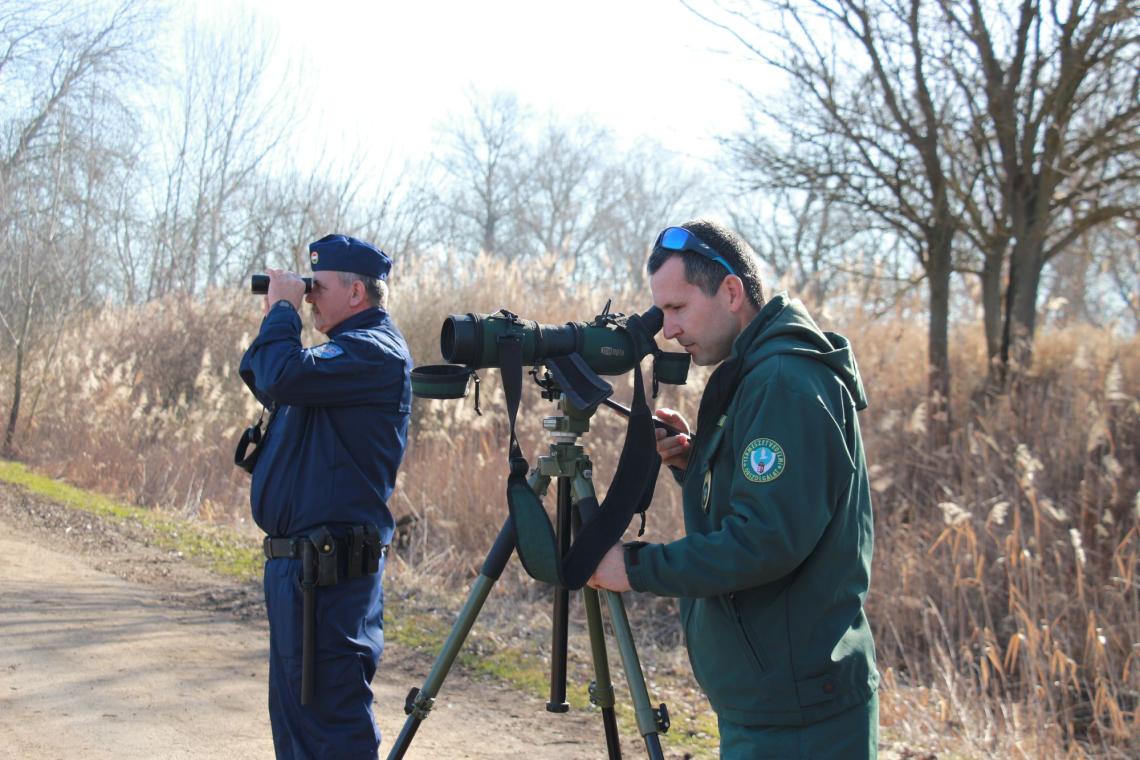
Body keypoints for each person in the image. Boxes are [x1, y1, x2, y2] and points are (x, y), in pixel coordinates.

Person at [588, 219, 879, 758]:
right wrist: (698, 461)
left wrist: (635, 567)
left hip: (800, 718)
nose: (667, 330)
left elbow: (764, 540)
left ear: (730, 291)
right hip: (776, 699)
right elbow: (775, 499)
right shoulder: (759, 374)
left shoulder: (784, 382)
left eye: (677, 308)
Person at [238, 234, 413, 759]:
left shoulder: (374, 353)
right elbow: (266, 375)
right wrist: (278, 317)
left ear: (357, 292)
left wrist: (284, 313)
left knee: (331, 728)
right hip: (300, 573)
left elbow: (282, 373)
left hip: (329, 579)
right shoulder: (340, 357)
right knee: (297, 729)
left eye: (319, 286)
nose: (309, 295)